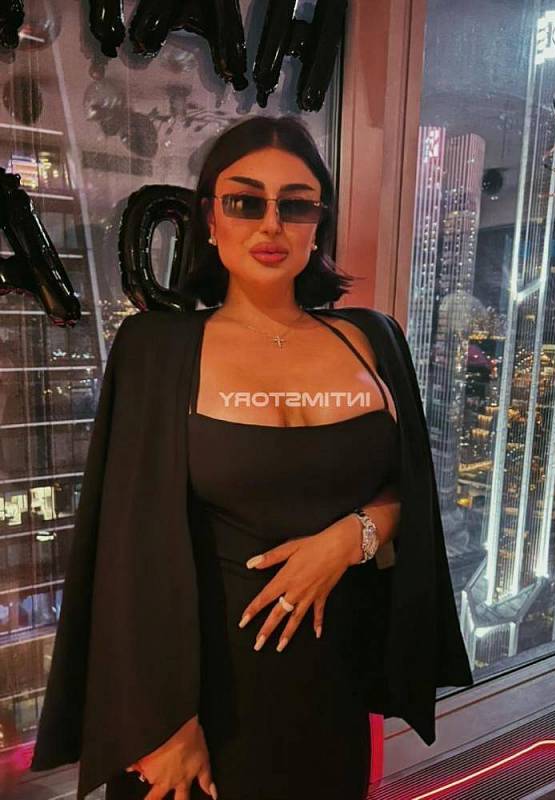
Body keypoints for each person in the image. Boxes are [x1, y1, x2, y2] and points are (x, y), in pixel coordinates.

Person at [30, 114, 473, 800]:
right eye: (245, 201)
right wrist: (157, 725)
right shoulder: (156, 349)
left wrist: (353, 537)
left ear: (318, 223)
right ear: (210, 219)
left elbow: (406, 489)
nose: (272, 224)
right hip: (192, 711)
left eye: (295, 205)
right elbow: (123, 548)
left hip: (332, 692)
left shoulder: (373, 339)